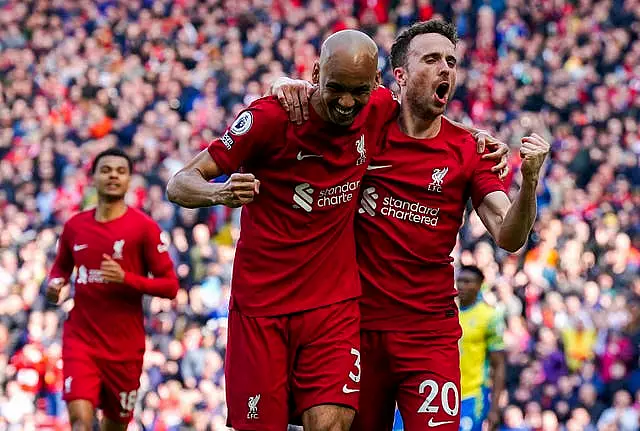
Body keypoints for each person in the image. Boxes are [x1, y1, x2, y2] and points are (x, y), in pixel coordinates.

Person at [271, 19, 549, 431]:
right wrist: (285, 84)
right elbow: (324, 98)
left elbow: (509, 235)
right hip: (356, 328)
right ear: (399, 76)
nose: (445, 69)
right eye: (432, 59)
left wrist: (529, 181)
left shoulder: (467, 151)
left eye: (451, 62)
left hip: (428, 334)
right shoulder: (367, 124)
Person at [166, 30, 397, 431]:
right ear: (315, 74)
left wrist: (477, 139)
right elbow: (180, 183)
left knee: (331, 425)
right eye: (335, 88)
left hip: (332, 305)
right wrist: (220, 194)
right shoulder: (270, 118)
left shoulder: (378, 107)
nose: (346, 102)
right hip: (262, 309)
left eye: (358, 91)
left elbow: (432, 123)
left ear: (376, 84)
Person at [46, 147, 180, 431]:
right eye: (106, 170)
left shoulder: (144, 228)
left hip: (124, 349)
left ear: (130, 179)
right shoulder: (75, 227)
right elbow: (60, 268)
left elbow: (170, 286)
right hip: (80, 340)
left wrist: (127, 279)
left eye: (120, 171)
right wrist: (54, 284)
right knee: (80, 423)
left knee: (113, 427)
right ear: (93, 177)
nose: (113, 176)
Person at [456, 266, 506, 431]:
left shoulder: (489, 317)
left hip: (472, 395)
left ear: (479, 285)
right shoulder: (448, 313)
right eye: (460, 281)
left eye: (468, 282)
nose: (462, 286)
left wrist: (494, 408)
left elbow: (498, 365)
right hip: (447, 393)